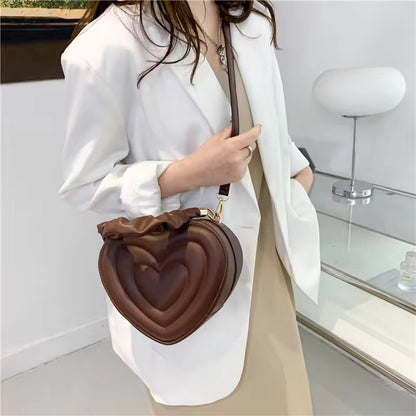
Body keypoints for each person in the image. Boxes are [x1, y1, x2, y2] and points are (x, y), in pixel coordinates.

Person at [58, 1, 320, 414]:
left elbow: (268, 123)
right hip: (190, 273)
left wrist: (298, 177)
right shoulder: (104, 48)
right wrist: (187, 173)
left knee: (284, 401)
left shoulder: (248, 20)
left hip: (268, 261)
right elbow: (85, 185)